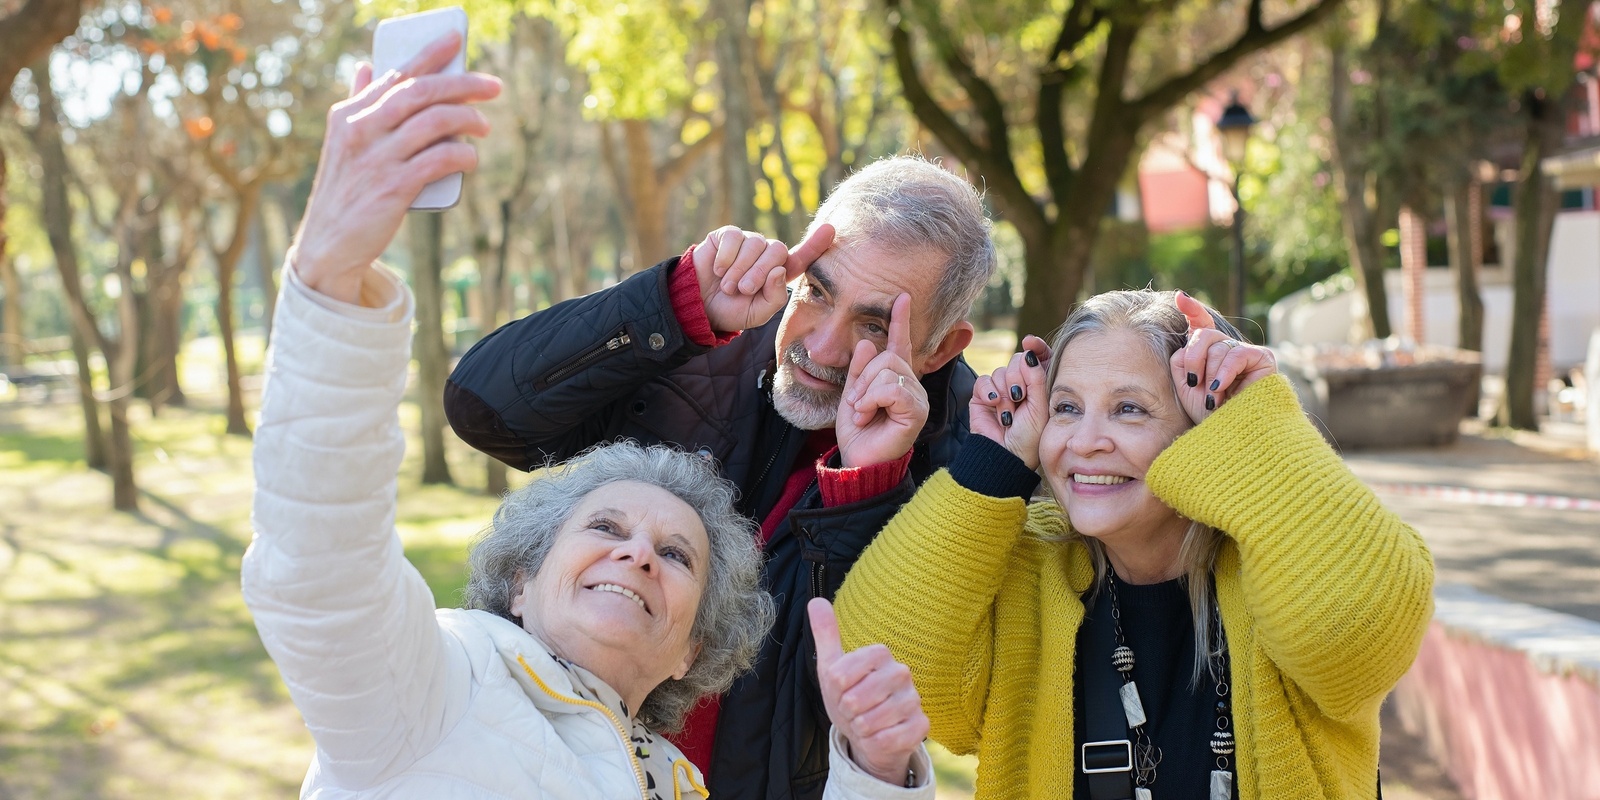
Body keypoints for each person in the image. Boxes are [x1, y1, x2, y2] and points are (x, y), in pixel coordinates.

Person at [243, 33, 935, 798]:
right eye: (605, 528)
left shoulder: (672, 782)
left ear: (693, 651)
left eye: (676, 557)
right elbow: (317, 567)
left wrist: (875, 774)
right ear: (519, 583)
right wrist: (331, 276)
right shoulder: (433, 690)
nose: (639, 555)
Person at [445, 137, 994, 798]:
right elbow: (483, 410)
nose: (821, 346)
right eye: (817, 290)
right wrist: (675, 303)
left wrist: (865, 487)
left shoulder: (968, 469)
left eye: (873, 326)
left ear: (942, 348)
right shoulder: (698, 338)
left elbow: (854, 690)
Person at [833, 288, 1436, 800]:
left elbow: (1358, 631)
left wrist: (1257, 421)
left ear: (1207, 427)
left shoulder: (1283, 564)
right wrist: (990, 466)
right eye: (1066, 408)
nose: (1086, 440)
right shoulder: (1027, 568)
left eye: (1129, 409)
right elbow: (876, 656)